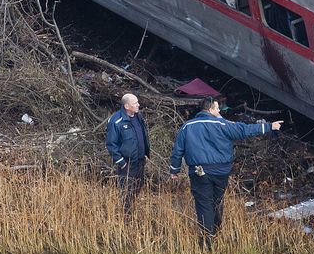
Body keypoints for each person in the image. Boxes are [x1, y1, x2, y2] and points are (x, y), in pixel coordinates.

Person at [169, 96, 282, 245]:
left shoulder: (187, 126)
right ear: (210, 109)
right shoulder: (223, 124)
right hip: (221, 172)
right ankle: (216, 232)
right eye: (217, 108)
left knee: (204, 204)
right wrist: (269, 126)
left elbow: (178, 150)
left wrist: (174, 169)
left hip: (198, 171)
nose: (219, 111)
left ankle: (206, 241)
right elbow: (244, 130)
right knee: (217, 201)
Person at [105, 93, 151, 211]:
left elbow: (143, 137)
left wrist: (145, 154)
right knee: (126, 191)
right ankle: (125, 216)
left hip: (140, 161)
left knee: (138, 186)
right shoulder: (116, 121)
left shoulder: (139, 117)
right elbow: (111, 144)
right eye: (135, 103)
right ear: (126, 106)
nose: (138, 105)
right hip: (127, 163)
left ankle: (131, 211)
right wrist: (122, 162)